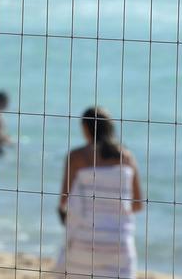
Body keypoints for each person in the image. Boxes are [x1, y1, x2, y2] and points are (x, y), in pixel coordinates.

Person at [55, 107, 144, 278]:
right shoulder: (127, 157)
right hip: (120, 244)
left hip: (84, 241)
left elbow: (63, 202)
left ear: (85, 128)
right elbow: (138, 205)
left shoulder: (76, 157)